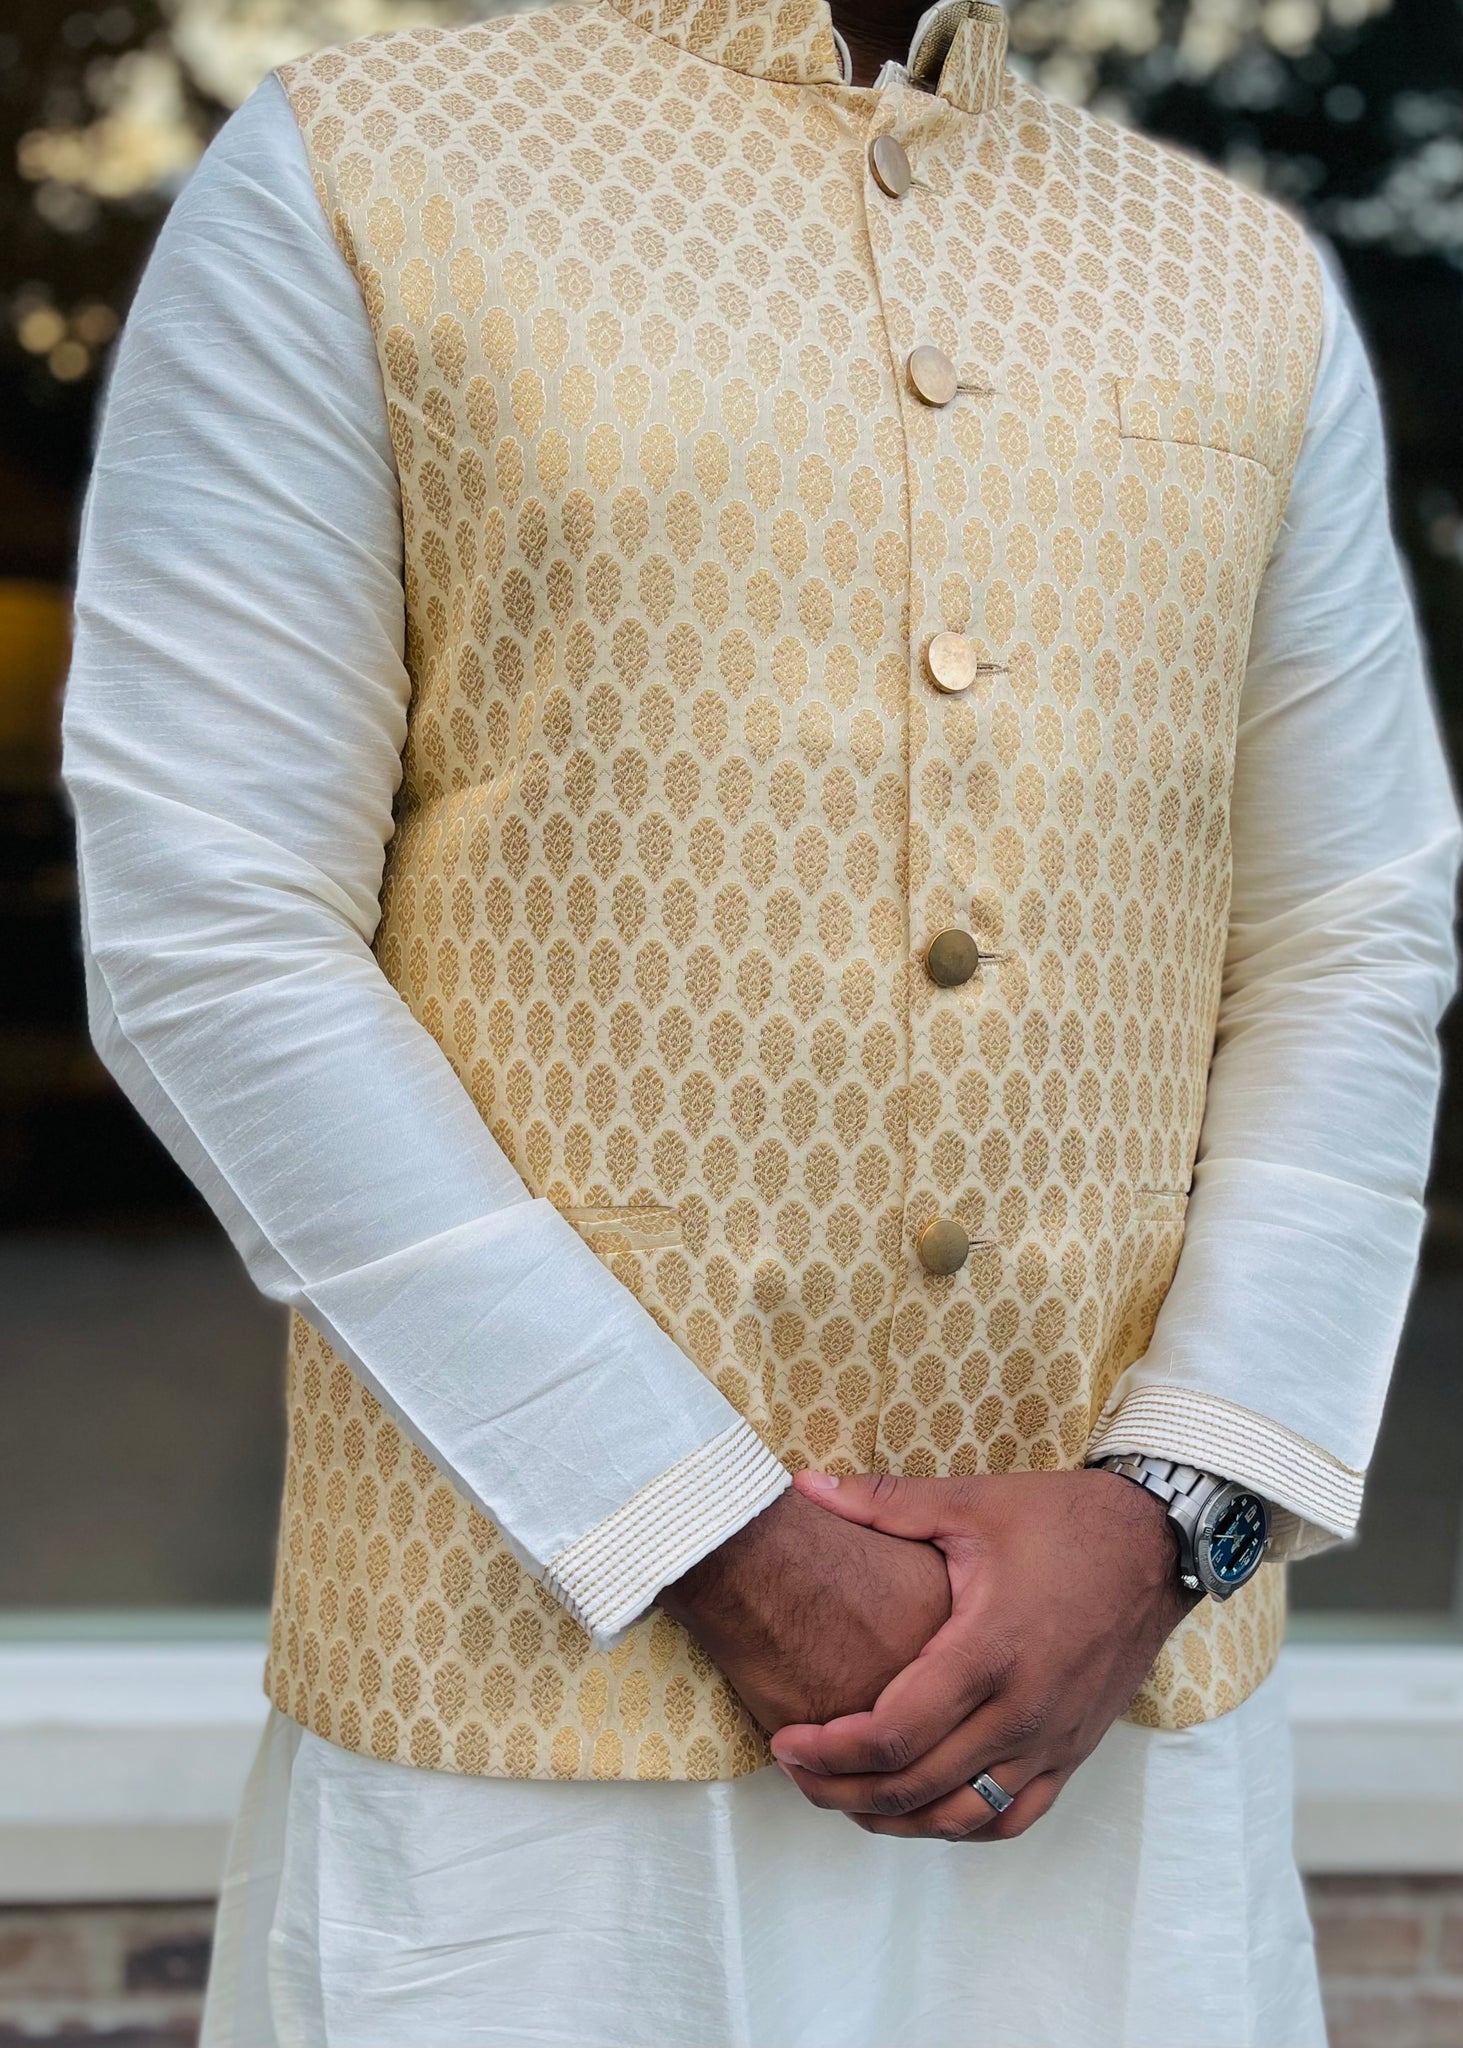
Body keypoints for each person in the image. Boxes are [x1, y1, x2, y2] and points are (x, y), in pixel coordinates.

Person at [61, 0, 1461, 2041]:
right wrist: (706, 1530)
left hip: (1109, 1721)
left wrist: (1178, 1513)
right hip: (520, 1738)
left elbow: (1351, 930)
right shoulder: (356, 177)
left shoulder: (1242, 279)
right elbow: (215, 931)